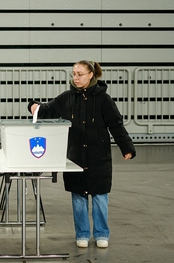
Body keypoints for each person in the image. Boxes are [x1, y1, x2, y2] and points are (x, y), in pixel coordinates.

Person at [28, 60, 136, 249]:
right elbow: (48, 110)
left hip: (98, 155)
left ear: (91, 75)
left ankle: (102, 233)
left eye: (79, 74)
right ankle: (82, 234)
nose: (75, 78)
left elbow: (116, 124)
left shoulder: (104, 99)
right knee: (78, 196)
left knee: (100, 196)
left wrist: (126, 147)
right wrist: (34, 106)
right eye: (73, 74)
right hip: (75, 155)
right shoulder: (67, 97)